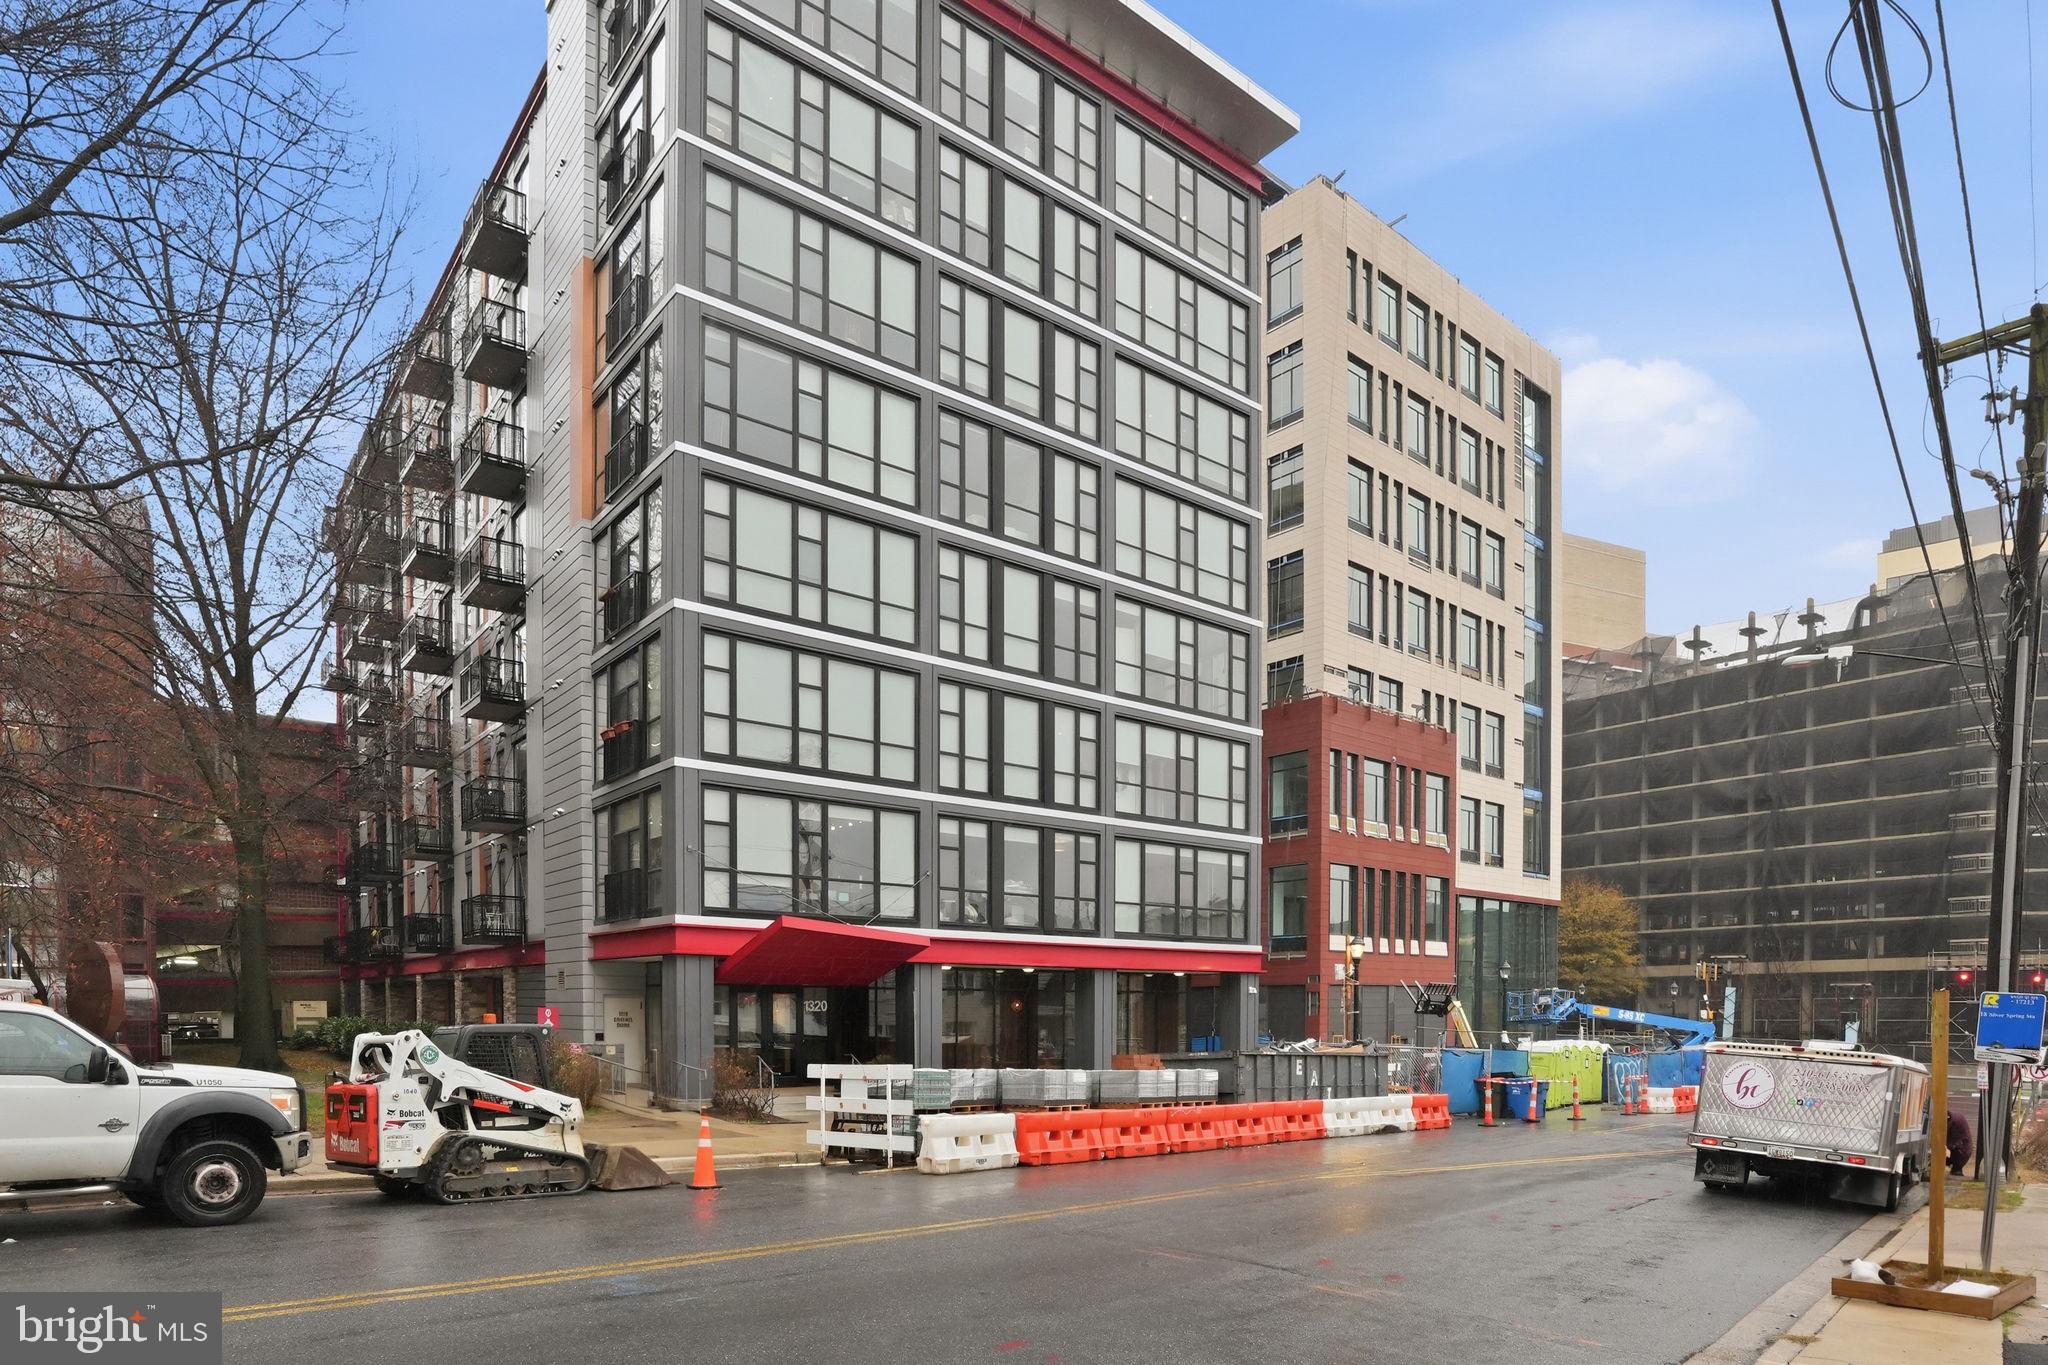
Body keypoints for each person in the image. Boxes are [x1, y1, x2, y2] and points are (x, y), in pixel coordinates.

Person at [1948, 1104, 1975, 1177]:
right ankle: (1956, 1171)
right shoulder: (1955, 1119)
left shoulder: (1955, 1123)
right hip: (1963, 1151)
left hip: (1962, 1153)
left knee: (1955, 1170)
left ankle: (1956, 1171)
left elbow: (1953, 1142)